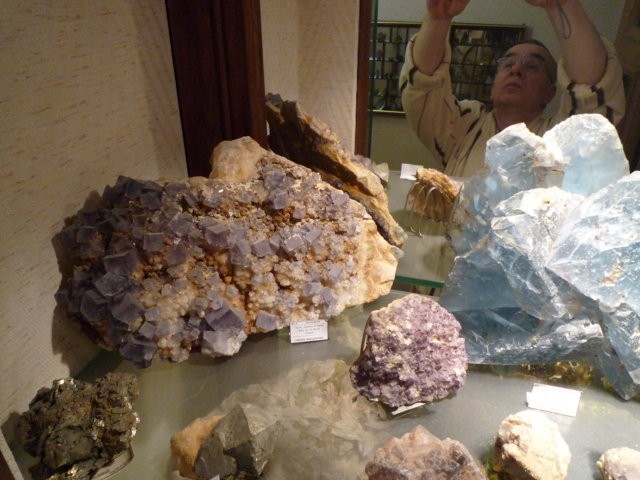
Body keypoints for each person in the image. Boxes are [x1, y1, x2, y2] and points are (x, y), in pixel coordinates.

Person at [399, 0, 626, 177]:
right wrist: (438, 19)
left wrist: (562, 3)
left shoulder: (559, 140)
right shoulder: (465, 126)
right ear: (493, 85)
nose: (516, 69)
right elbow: (422, 88)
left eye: (532, 66)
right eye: (507, 63)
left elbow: (592, 92)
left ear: (550, 92)